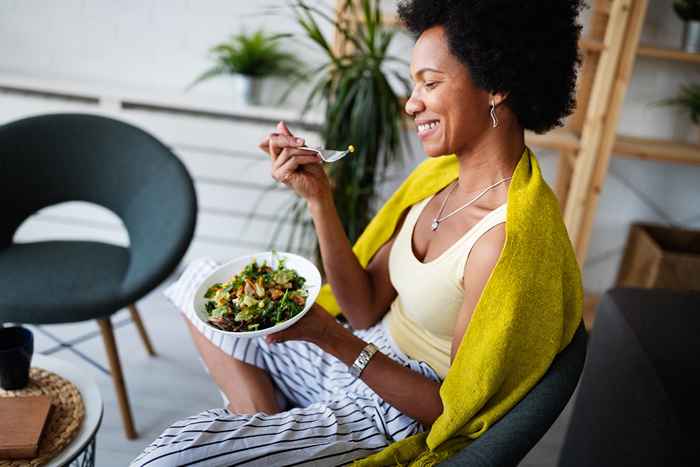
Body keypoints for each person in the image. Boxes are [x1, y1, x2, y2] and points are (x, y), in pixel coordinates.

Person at [132, 0, 584, 465]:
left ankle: (261, 438)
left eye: (430, 83)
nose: (411, 103)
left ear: (497, 86)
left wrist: (332, 338)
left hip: (392, 407)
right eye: (415, 84)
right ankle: (260, 423)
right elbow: (364, 306)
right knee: (199, 281)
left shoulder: (503, 242)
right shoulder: (439, 181)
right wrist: (318, 199)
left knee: (169, 457)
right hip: (357, 352)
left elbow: (452, 412)